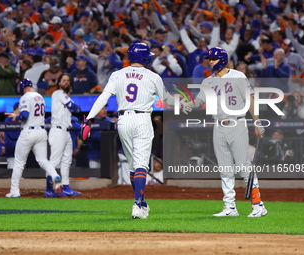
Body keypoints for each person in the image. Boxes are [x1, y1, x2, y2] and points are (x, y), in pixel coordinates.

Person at [80, 42, 190, 219]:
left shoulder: (117, 74)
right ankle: (137, 204)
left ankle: (142, 201)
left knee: (133, 166)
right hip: (142, 119)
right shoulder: (153, 76)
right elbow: (167, 100)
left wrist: (89, 119)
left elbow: (103, 97)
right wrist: (181, 104)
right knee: (140, 165)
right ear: (144, 57)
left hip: (123, 120)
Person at [189, 47, 267, 217]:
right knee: (225, 168)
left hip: (237, 123)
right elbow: (199, 100)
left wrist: (257, 121)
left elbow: (250, 99)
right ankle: (230, 207)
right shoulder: (207, 81)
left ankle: (258, 205)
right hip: (218, 125)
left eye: (213, 58)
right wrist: (186, 102)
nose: (210, 61)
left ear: (222, 59)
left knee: (244, 166)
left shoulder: (238, 76)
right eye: (209, 58)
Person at [4, 78, 62, 198]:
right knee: (42, 160)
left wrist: (16, 117)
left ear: (22, 88)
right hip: (41, 131)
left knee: (19, 162)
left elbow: (24, 116)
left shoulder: (25, 97)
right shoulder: (40, 97)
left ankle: (14, 190)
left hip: (28, 132)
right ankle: (55, 175)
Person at [46, 73, 82, 197]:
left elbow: (71, 114)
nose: (66, 82)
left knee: (67, 160)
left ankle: (66, 186)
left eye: (68, 80)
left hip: (65, 131)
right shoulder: (58, 93)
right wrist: (75, 107)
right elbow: (75, 107)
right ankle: (49, 188)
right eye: (63, 80)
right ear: (59, 83)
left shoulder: (65, 96)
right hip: (57, 131)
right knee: (54, 161)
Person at [4, 102, 21, 169]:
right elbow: (13, 135)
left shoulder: (22, 119)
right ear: (17, 109)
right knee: (12, 170)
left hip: (21, 150)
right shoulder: (9, 118)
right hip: (11, 150)